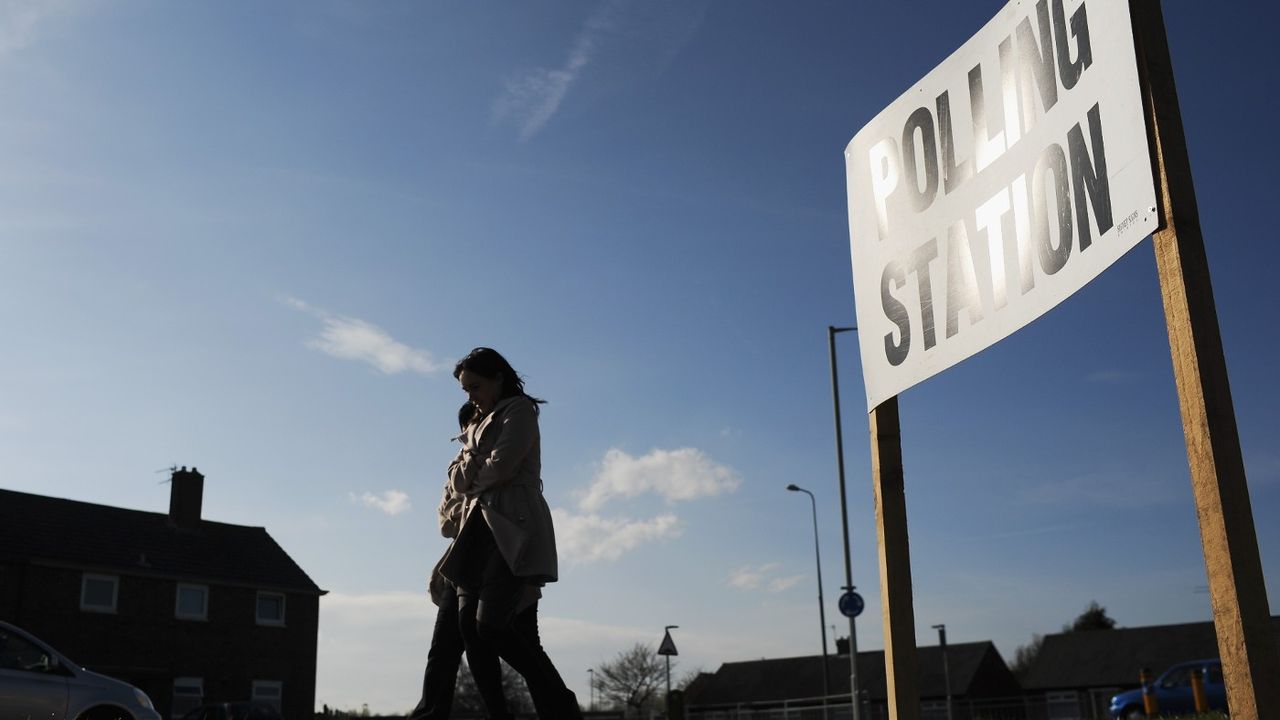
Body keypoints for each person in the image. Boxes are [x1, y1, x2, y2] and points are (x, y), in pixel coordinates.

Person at [440, 347, 582, 720]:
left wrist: (472, 476)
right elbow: (454, 482)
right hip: (476, 532)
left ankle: (561, 702)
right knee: (468, 630)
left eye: (475, 386)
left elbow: (502, 467)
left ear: (497, 378)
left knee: (491, 628)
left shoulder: (519, 411)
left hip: (510, 527)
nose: (471, 396)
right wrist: (472, 471)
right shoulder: (473, 423)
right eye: (466, 390)